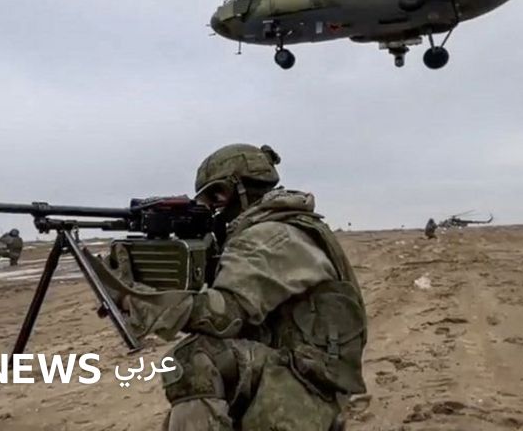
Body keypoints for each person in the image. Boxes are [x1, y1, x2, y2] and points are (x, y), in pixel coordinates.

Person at [90, 143, 367, 431]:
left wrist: (132, 299)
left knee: (194, 360)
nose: (211, 210)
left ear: (229, 190)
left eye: (214, 198)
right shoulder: (280, 226)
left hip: (306, 390)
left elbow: (224, 317)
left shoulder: (271, 236)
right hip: (297, 373)